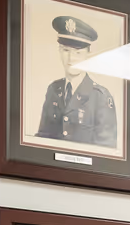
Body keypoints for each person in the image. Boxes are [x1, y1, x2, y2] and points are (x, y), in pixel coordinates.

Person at [36, 14, 118, 150]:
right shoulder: (53, 90)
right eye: (66, 50)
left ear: (88, 55)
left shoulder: (101, 97)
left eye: (77, 53)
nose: (70, 58)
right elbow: (43, 138)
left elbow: (106, 153)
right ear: (59, 51)